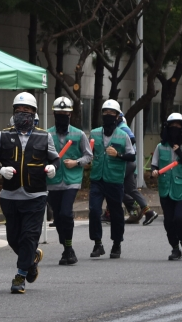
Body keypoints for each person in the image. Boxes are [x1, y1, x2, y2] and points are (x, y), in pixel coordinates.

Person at [0, 92, 57, 289]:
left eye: (27, 110)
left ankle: (20, 275)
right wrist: (0, 170)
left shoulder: (44, 136)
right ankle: (31, 259)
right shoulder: (2, 136)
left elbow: (55, 159)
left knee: (29, 236)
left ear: (34, 113)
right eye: (18, 110)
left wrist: (53, 168)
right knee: (13, 238)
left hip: (36, 194)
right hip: (10, 195)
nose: (22, 114)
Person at [46, 97, 91, 266]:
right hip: (53, 180)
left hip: (72, 180)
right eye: (59, 114)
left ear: (70, 114)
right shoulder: (47, 134)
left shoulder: (78, 134)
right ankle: (65, 246)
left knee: (66, 213)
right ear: (54, 114)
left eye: (65, 113)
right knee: (58, 217)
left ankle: (69, 248)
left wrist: (76, 162)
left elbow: (88, 155)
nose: (62, 116)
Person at [87, 100, 131, 256]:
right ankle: (97, 243)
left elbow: (131, 156)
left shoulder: (123, 135)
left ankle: (117, 243)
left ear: (118, 116)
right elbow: (88, 152)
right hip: (97, 178)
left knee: (116, 212)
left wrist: (118, 155)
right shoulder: (94, 133)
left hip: (114, 179)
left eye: (112, 113)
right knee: (93, 210)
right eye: (105, 113)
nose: (108, 116)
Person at [150, 113, 182, 260]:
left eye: (178, 126)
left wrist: (180, 154)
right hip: (165, 189)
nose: (175, 128)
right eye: (172, 126)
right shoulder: (160, 147)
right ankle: (175, 248)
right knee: (168, 221)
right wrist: (154, 172)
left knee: (179, 218)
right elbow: (154, 164)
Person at [118, 108, 156, 225]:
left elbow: (132, 139)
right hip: (129, 163)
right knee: (130, 190)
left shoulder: (122, 127)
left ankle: (128, 209)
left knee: (113, 186)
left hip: (126, 162)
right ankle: (148, 212)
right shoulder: (119, 128)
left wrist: (120, 153)